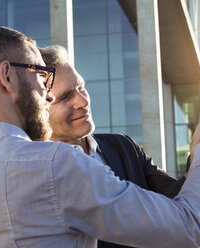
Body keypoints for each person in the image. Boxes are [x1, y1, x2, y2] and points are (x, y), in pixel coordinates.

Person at [0, 26, 200, 248]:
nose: (44, 90)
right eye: (40, 74)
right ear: (7, 76)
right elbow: (189, 225)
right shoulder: (55, 166)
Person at [39, 45, 189, 248]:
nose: (83, 101)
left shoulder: (123, 147)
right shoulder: (39, 175)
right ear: (39, 109)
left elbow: (179, 204)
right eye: (65, 97)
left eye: (81, 87)